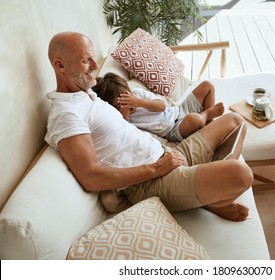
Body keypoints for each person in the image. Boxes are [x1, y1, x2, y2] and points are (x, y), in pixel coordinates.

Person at [44, 31, 253, 221]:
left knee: (236, 121)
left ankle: (208, 195)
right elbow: (90, 177)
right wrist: (156, 169)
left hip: (167, 154)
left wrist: (163, 159)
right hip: (149, 182)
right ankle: (209, 196)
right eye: (85, 61)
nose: (95, 66)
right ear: (60, 66)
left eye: (92, 58)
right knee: (241, 174)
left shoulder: (87, 94)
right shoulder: (66, 115)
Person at [92, 72, 224, 142]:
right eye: (120, 104)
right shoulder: (121, 119)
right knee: (195, 119)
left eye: (127, 96)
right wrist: (124, 112)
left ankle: (209, 125)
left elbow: (162, 106)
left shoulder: (137, 94)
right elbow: (124, 128)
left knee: (207, 86)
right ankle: (207, 115)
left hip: (177, 110)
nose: (128, 103)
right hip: (173, 129)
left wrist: (139, 102)